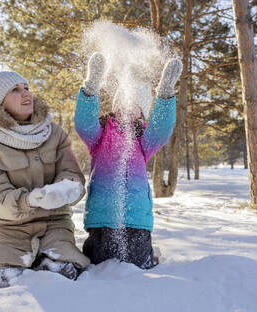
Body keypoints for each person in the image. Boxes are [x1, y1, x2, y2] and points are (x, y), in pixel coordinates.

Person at [0, 71, 90, 287]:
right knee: (1, 274)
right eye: (15, 90)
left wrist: (65, 190)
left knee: (64, 271)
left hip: (54, 223)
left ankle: (48, 259)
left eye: (26, 87)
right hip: (7, 227)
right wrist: (30, 200)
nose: (26, 94)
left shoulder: (55, 133)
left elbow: (72, 174)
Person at [74, 53, 182, 269]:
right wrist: (90, 88)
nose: (129, 108)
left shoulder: (144, 139)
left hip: (136, 219)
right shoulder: (100, 135)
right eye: (125, 102)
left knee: (135, 267)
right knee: (97, 267)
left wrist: (165, 95)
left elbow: (161, 130)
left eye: (136, 106)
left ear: (142, 114)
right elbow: (83, 123)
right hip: (101, 218)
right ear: (115, 106)